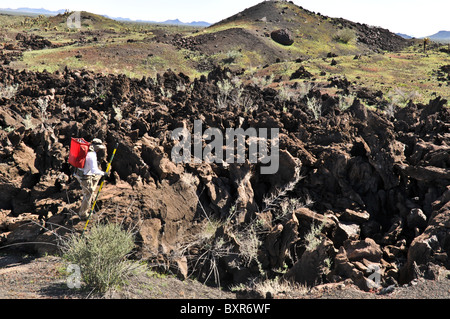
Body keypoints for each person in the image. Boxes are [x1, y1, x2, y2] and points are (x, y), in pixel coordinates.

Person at [75, 138, 108, 220]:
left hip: (79, 173)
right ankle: (82, 214)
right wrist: (104, 173)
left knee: (97, 177)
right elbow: (94, 170)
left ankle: (89, 198)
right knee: (88, 194)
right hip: (84, 177)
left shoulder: (84, 150)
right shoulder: (91, 155)